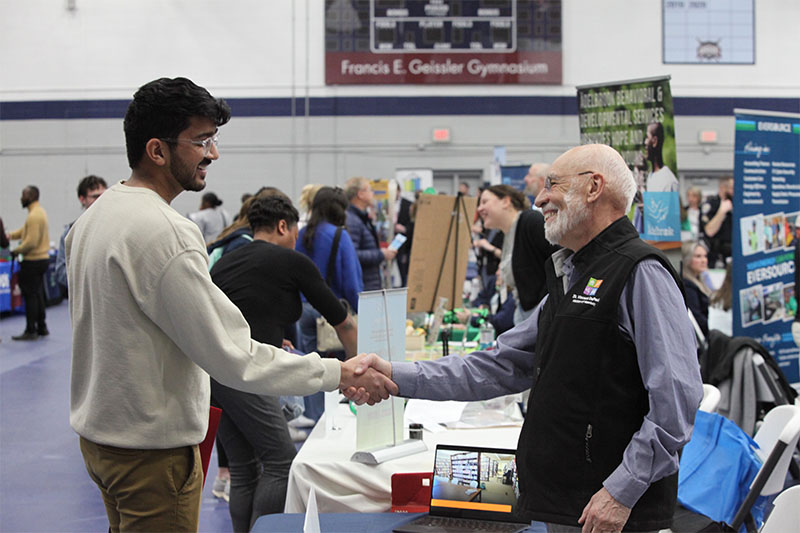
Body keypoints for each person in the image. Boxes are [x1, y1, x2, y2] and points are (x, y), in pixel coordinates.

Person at [65, 77, 395, 533]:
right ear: (157, 150)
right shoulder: (166, 231)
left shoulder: (93, 220)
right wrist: (339, 372)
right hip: (151, 454)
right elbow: (234, 354)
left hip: (102, 442)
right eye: (201, 141)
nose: (213, 153)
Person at [352, 144, 703, 532]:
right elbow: (499, 363)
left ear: (594, 187)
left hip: (609, 510)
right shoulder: (572, 274)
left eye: (553, 184)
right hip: (568, 502)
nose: (539, 199)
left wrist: (622, 490)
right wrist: (396, 375)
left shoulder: (640, 272)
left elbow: (676, 402)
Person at [209, 195, 357, 531]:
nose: (295, 240)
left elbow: (244, 314)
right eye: (294, 233)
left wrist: (273, 339)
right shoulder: (292, 262)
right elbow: (343, 323)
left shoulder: (226, 262)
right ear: (282, 226)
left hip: (214, 375)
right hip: (247, 373)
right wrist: (359, 370)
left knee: (244, 468)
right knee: (280, 461)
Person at [296, 186, 364, 421]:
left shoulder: (301, 234)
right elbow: (351, 282)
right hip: (331, 314)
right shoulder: (339, 235)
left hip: (301, 311)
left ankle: (313, 419)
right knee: (337, 370)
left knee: (309, 368)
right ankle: (331, 419)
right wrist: (359, 312)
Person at [476, 184, 558, 324]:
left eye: (484, 202)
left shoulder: (530, 221)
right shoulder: (508, 235)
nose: (479, 209)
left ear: (506, 201)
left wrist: (544, 307)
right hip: (527, 317)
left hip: (543, 318)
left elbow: (561, 260)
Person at [7, 185, 50, 341]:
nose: (21, 198)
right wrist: (9, 235)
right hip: (42, 260)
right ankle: (42, 327)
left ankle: (31, 330)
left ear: (31, 196)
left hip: (33, 261)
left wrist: (15, 251)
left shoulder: (34, 216)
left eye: (24, 195)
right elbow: (25, 231)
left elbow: (31, 242)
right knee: (37, 294)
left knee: (30, 296)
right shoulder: (38, 212)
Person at [55, 175, 107, 293]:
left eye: (104, 196)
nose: (101, 200)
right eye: (95, 196)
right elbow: (61, 272)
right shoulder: (71, 232)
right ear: (82, 199)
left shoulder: (116, 227)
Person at [345, 176, 395, 291]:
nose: (373, 193)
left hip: (368, 281)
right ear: (360, 194)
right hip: (363, 284)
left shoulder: (361, 218)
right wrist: (381, 254)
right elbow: (352, 254)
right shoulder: (352, 221)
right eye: (370, 190)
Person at [699, 176, 733, 268]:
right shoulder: (711, 204)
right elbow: (709, 231)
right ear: (723, 188)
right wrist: (722, 211)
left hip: (732, 253)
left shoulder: (736, 204)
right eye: (732, 188)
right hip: (715, 255)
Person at [682, 241, 712, 337]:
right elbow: (697, 318)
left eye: (705, 256)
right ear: (687, 259)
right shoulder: (687, 286)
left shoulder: (701, 280)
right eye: (698, 256)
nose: (704, 260)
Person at [644, 122, 679, 193]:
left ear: (655, 141)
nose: (645, 142)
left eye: (647, 137)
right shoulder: (650, 176)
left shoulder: (668, 181)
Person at [393, 182, 414, 286]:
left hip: (403, 242)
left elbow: (412, 225)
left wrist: (404, 229)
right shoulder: (385, 204)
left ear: (399, 191)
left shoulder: (408, 204)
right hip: (390, 241)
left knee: (404, 270)